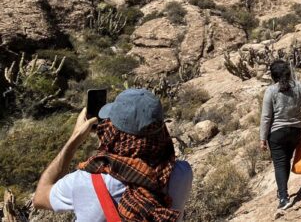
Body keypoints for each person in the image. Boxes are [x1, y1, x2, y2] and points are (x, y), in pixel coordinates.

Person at [32, 89, 193, 222]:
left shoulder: (84, 181)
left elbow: (40, 197)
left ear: (113, 134)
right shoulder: (181, 173)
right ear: (161, 130)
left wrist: (74, 140)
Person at [260, 60, 301, 211]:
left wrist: (262, 138)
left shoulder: (271, 90)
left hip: (277, 133)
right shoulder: (300, 86)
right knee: (285, 161)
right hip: (295, 131)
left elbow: (266, 117)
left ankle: (283, 197)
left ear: (273, 75)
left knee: (280, 163)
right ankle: (282, 192)